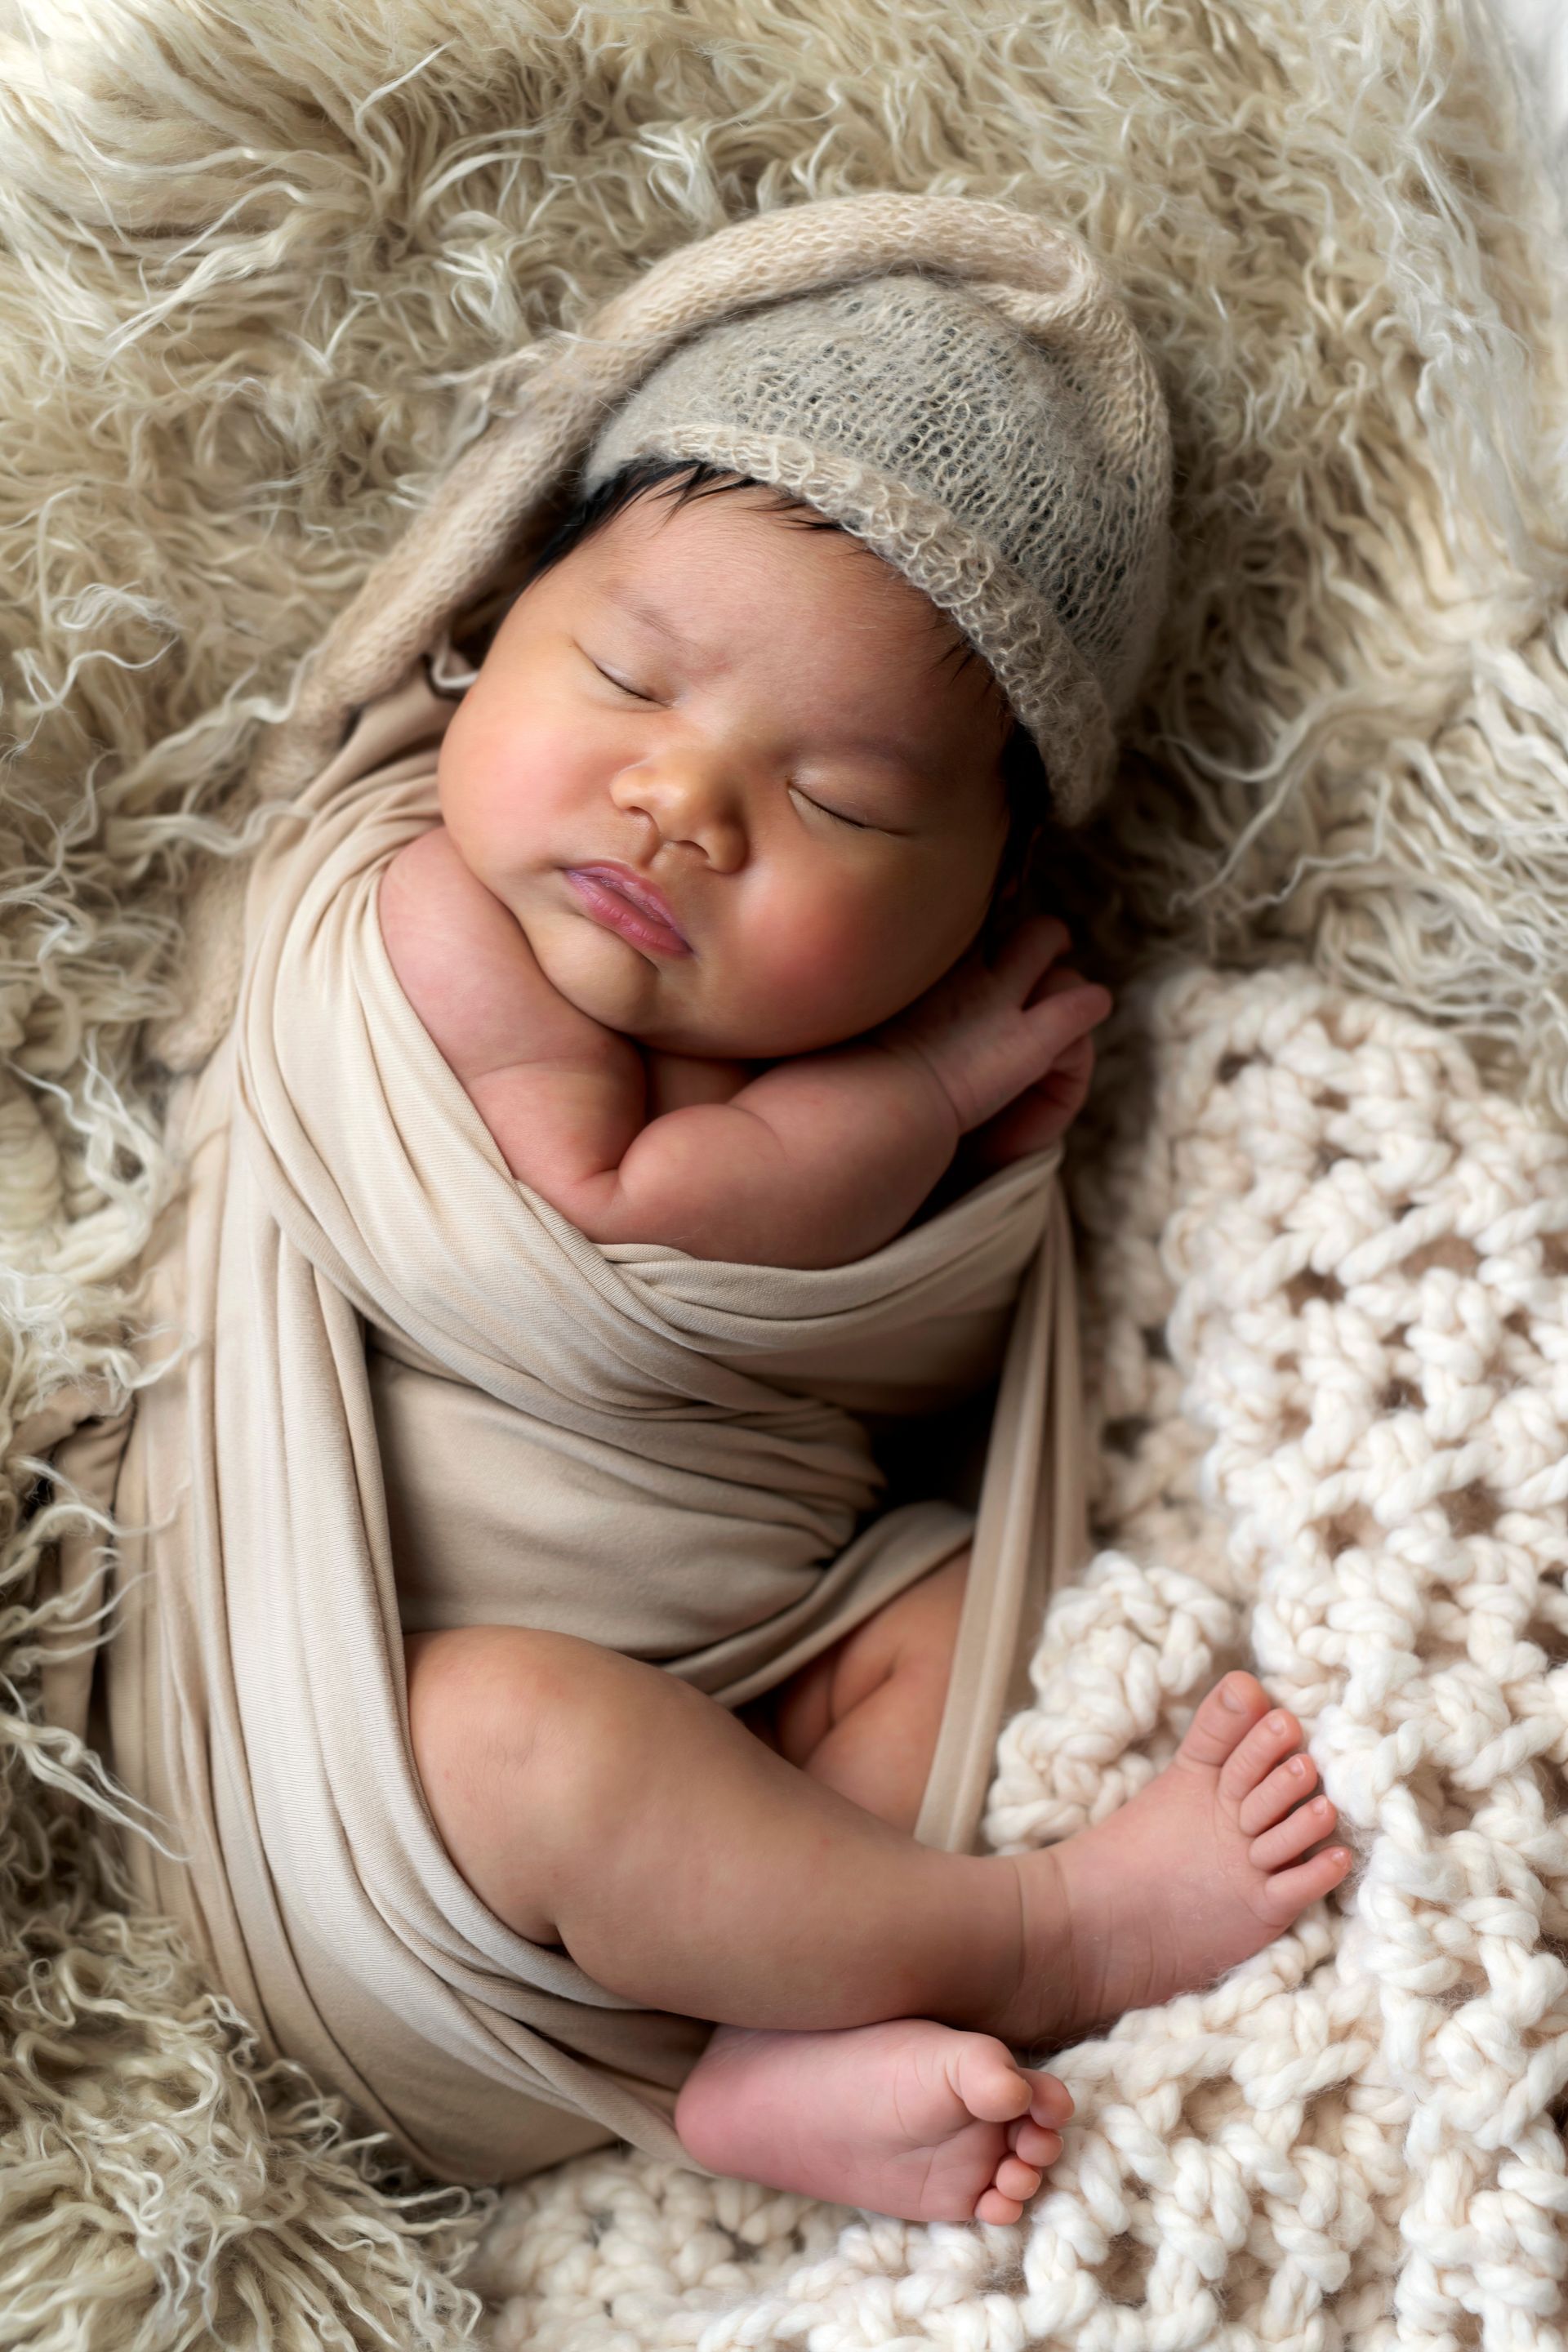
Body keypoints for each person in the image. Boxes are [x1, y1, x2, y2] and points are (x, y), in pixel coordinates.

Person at [34, 199, 1351, 2225]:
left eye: (839, 804)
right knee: (525, 1739)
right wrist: (919, 1101)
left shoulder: (890, 1042)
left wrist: (983, 1173)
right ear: (486, 627)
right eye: (630, 675)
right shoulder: (416, 920)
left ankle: (778, 2039)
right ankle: (1026, 1935)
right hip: (382, 1788)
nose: (686, 801)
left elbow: (923, 1359)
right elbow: (625, 1203)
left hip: (760, 1642)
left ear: (980, 902)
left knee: (935, 1596)